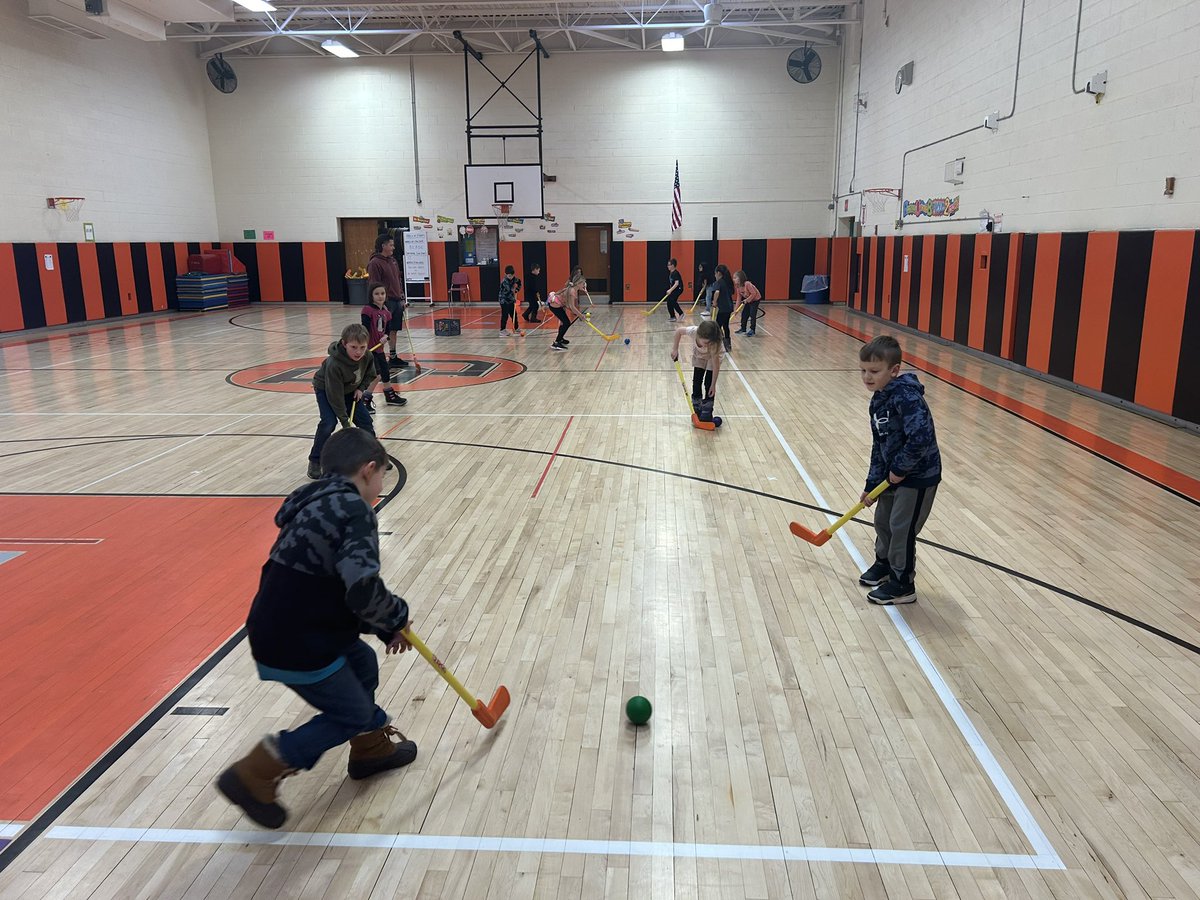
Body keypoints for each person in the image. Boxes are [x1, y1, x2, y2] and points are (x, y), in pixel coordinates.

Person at [216, 428, 417, 829]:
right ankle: (257, 771)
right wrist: (395, 616)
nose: (381, 486)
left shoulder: (315, 503)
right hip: (299, 638)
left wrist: (380, 629)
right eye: (382, 477)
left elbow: (332, 586)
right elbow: (362, 588)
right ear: (368, 470)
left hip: (286, 625)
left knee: (362, 664)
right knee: (350, 713)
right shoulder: (355, 510)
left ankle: (370, 748)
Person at [856, 335, 942, 605]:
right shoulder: (878, 399)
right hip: (892, 474)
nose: (867, 377)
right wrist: (872, 484)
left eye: (874, 371)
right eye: (863, 371)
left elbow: (921, 438)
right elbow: (879, 445)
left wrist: (900, 469)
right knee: (883, 521)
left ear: (894, 371)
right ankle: (884, 564)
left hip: (917, 476)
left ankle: (902, 583)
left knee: (901, 528)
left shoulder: (907, 398)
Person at [306, 323, 378, 480]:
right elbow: (335, 396)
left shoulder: (368, 356)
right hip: (327, 390)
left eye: (362, 347)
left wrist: (361, 388)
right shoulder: (334, 364)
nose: (358, 352)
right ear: (344, 344)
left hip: (351, 390)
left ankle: (375, 457)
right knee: (328, 422)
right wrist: (345, 423)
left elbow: (370, 374)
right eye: (353, 347)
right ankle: (315, 460)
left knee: (365, 422)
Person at [360, 283, 407, 408]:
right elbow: (364, 329)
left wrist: (386, 336)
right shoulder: (367, 310)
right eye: (376, 294)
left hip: (379, 348)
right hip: (370, 348)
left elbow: (388, 328)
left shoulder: (386, 311)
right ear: (371, 296)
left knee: (385, 372)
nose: (380, 296)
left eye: (382, 293)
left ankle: (390, 395)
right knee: (376, 375)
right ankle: (365, 399)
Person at [670, 319, 724, 427]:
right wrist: (675, 349)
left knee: (708, 385)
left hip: (713, 359)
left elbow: (715, 366)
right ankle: (698, 411)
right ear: (698, 336)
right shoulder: (694, 331)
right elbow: (679, 331)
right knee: (696, 382)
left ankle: (707, 414)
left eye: (709, 343)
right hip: (699, 356)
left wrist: (713, 385)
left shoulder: (714, 344)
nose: (707, 345)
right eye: (705, 342)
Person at [366, 234, 408, 369]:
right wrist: (380, 304)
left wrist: (402, 297)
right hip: (386, 302)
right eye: (391, 245)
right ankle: (379, 358)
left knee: (393, 330)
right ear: (383, 246)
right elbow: (374, 285)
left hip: (397, 301)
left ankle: (393, 356)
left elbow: (398, 281)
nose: (393, 248)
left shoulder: (393, 261)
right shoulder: (374, 263)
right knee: (382, 332)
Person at [547, 276, 583, 351]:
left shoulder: (573, 290)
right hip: (555, 306)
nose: (584, 285)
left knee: (564, 323)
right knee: (566, 323)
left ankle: (560, 339)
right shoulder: (572, 291)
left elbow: (569, 305)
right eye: (583, 283)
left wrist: (578, 314)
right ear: (578, 284)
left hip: (559, 305)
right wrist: (580, 315)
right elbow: (572, 307)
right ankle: (556, 342)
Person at [712, 264, 735, 351]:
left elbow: (717, 292)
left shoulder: (719, 282)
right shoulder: (727, 282)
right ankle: (728, 345)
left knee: (717, 326)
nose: (715, 276)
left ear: (718, 273)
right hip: (729, 308)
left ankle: (718, 344)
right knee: (725, 326)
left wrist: (714, 302)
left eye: (715, 274)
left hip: (723, 309)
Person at [732, 270, 763, 336]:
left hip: (755, 300)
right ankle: (743, 328)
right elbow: (738, 298)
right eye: (733, 278)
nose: (733, 279)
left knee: (752, 314)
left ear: (740, 278)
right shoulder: (738, 287)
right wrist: (736, 310)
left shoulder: (747, 284)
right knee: (744, 314)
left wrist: (747, 300)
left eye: (735, 278)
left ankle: (752, 330)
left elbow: (754, 293)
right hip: (748, 300)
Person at [498, 265, 522, 336]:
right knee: (505, 315)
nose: (510, 277)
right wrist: (513, 299)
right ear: (505, 274)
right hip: (504, 300)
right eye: (509, 276)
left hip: (511, 299)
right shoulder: (504, 282)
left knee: (514, 314)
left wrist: (517, 289)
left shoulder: (515, 279)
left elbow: (519, 282)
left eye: (511, 276)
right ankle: (502, 330)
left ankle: (516, 328)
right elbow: (508, 292)